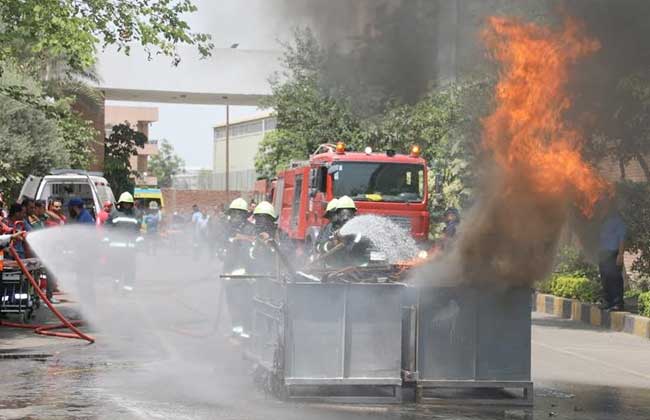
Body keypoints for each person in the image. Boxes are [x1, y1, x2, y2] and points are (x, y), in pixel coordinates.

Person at [106, 192, 140, 291]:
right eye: (125, 203)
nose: (127, 205)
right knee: (117, 267)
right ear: (121, 203)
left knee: (130, 268)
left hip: (130, 248)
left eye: (128, 203)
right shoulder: (114, 213)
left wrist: (139, 241)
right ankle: (116, 282)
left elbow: (137, 230)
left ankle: (127, 289)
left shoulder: (135, 214)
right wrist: (107, 238)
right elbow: (107, 226)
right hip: (116, 248)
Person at [598, 201, 627, 311]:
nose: (603, 209)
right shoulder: (603, 221)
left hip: (613, 253)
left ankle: (618, 303)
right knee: (605, 278)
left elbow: (622, 239)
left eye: (605, 207)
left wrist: (620, 254)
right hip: (603, 254)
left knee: (615, 278)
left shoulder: (618, 221)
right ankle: (607, 302)